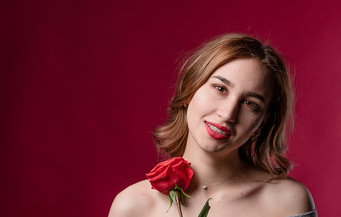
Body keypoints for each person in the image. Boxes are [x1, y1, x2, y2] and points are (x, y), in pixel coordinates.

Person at [108, 33, 317, 217]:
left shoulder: (288, 201)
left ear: (262, 121)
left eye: (250, 104)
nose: (227, 114)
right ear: (190, 89)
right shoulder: (132, 207)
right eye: (220, 88)